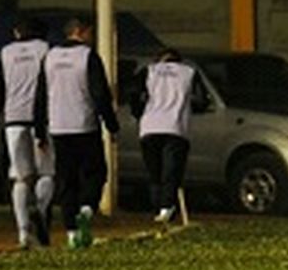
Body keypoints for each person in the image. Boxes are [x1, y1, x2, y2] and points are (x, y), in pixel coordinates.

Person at [35, 15, 120, 250]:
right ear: (81, 32)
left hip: (59, 127)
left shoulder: (49, 57)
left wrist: (40, 131)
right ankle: (86, 209)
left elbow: (41, 95)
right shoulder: (87, 57)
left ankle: (72, 233)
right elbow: (100, 94)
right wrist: (111, 125)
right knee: (96, 173)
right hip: (85, 125)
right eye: (90, 33)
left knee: (66, 181)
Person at [0, 16, 56, 248]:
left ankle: (23, 232)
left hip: (13, 120)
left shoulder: (5, 53)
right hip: (43, 119)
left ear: (17, 33)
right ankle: (40, 207)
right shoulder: (47, 50)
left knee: (20, 177)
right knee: (46, 172)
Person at [130, 48, 200, 225]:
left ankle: (157, 208)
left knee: (155, 173)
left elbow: (134, 94)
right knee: (171, 172)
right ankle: (166, 207)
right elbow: (201, 99)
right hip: (175, 127)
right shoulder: (189, 72)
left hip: (150, 127)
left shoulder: (149, 70)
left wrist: (139, 114)